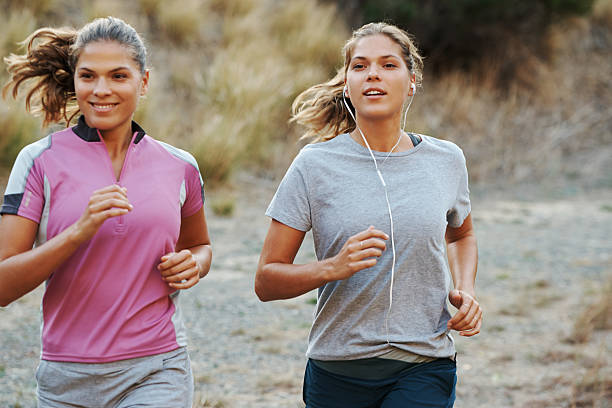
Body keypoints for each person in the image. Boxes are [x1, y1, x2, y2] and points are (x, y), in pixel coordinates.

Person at [255, 22, 482, 408]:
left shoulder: (446, 159)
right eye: (359, 66)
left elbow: (460, 235)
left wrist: (466, 290)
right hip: (336, 370)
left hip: (423, 364)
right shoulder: (314, 165)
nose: (373, 73)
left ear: (412, 81)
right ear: (347, 84)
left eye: (388, 65)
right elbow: (266, 280)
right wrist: (334, 267)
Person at [0, 17, 211, 408]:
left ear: (143, 82)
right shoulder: (38, 161)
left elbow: (200, 245)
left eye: (118, 76)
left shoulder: (180, 165)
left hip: (157, 368)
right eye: (88, 76)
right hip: (66, 377)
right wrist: (79, 232)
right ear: (75, 80)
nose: (101, 90)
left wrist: (194, 264)